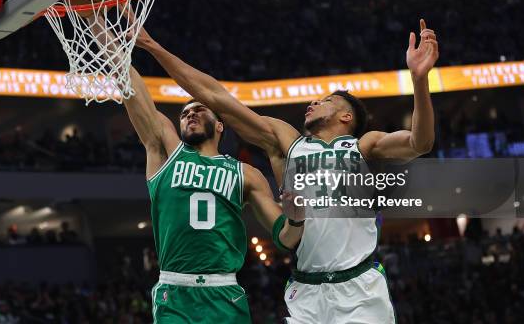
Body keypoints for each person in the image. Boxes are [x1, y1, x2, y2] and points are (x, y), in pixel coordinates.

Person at [137, 19, 438, 323]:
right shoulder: (285, 142)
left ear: (346, 116)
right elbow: (216, 97)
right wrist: (153, 47)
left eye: (325, 101)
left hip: (359, 286)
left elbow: (420, 142)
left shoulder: (364, 146)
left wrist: (419, 80)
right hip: (307, 291)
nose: (313, 102)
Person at [87, 16, 303, 323]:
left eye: (199, 109)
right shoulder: (165, 152)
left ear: (219, 126)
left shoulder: (246, 173)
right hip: (175, 290)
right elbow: (129, 81)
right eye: (185, 113)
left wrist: (297, 214)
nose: (190, 114)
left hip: (224, 291)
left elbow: (285, 237)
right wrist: (96, 27)